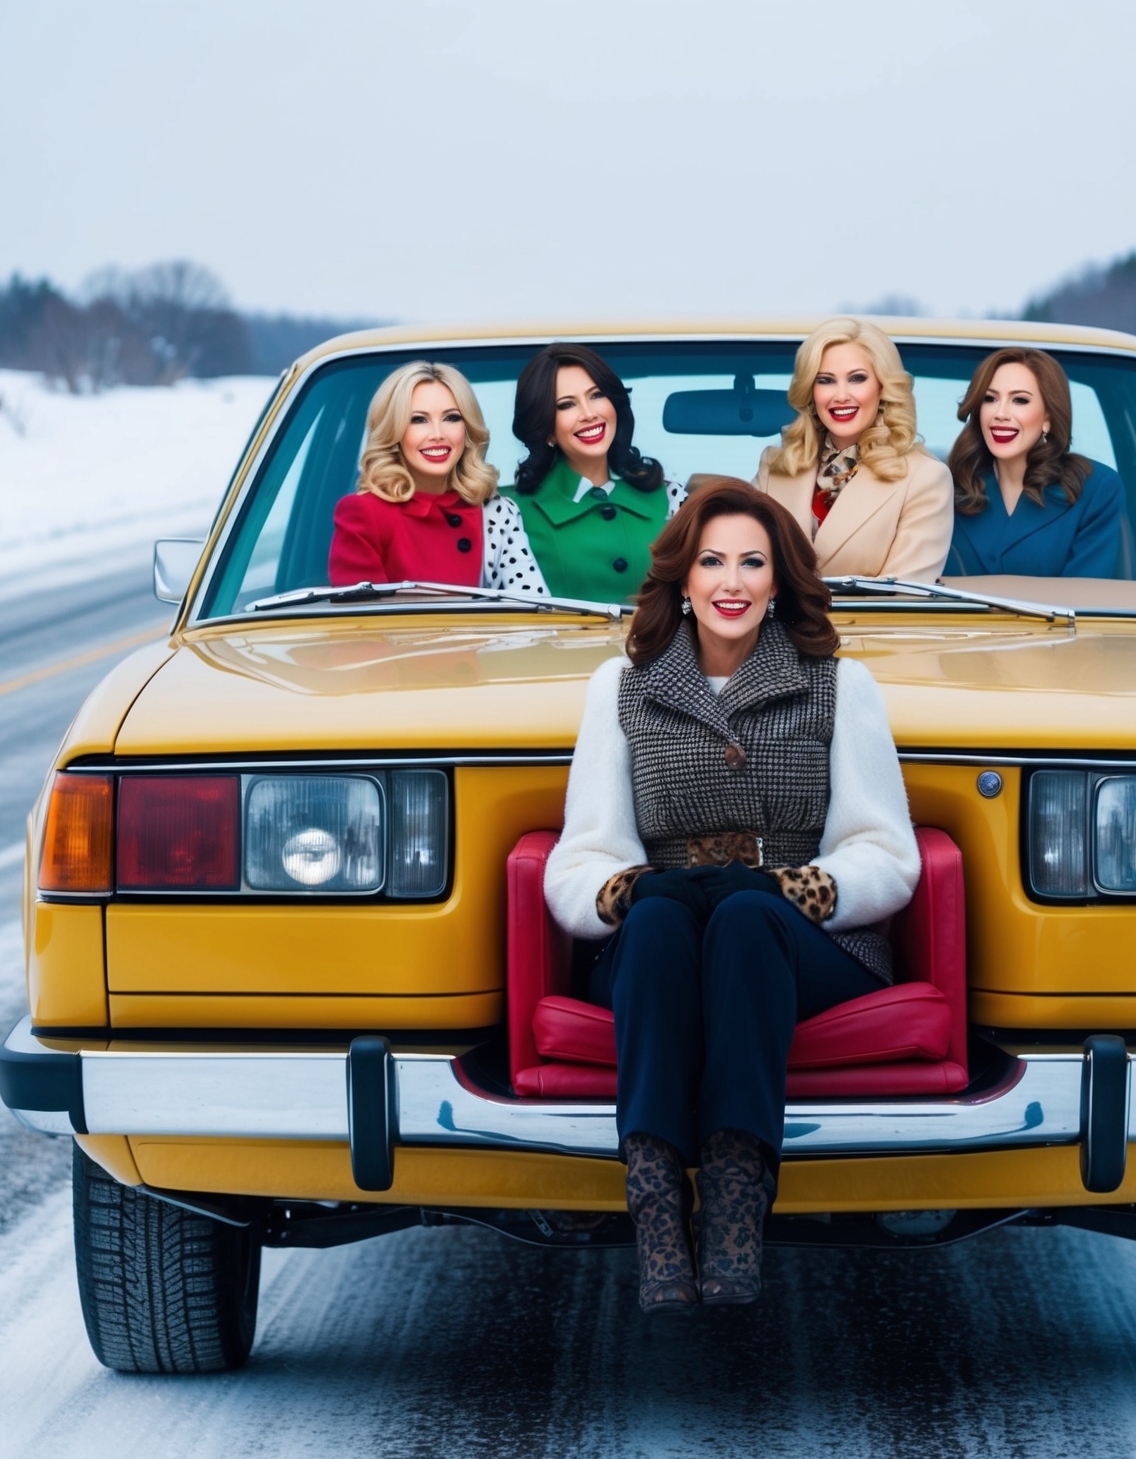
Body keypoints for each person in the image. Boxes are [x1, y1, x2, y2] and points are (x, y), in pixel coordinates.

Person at [544, 479, 919, 1312]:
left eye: (753, 562)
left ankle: (737, 1225)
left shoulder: (838, 685)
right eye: (712, 561)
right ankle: (659, 1226)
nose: (732, 582)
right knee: (662, 920)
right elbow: (582, 857)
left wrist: (795, 890)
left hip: (802, 941)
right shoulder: (622, 686)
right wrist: (637, 891)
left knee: (748, 915)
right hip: (663, 938)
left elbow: (886, 854)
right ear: (683, 578)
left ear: (779, 580)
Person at [756, 317, 952, 583]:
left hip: (865, 626)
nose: (841, 395)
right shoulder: (775, 467)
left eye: (857, 379)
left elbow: (905, 596)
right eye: (825, 380)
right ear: (810, 391)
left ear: (883, 387)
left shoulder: (925, 478)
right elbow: (744, 566)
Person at [329, 361, 548, 594]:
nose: (437, 434)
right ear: (393, 432)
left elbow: (536, 612)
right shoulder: (364, 514)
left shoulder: (498, 512)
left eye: (451, 418)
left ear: (468, 429)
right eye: (418, 420)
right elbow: (363, 626)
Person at [503, 344, 686, 605]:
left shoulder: (671, 498)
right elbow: (521, 621)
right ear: (547, 429)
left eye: (597, 395)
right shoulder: (510, 512)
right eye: (566, 405)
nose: (589, 414)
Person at [943, 347, 1126, 580]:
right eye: (990, 399)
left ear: (1048, 417)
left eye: (1019, 400)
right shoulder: (944, 488)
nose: (1000, 413)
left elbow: (1084, 601)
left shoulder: (1094, 489)